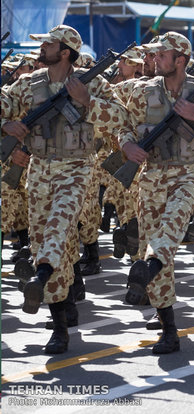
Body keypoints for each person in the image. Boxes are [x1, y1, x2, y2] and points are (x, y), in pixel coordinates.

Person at [1, 24, 126, 354]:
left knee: (57, 229)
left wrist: (87, 101)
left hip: (76, 169)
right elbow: (4, 103)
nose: (42, 48)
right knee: (50, 242)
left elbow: (120, 118)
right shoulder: (28, 85)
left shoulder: (93, 82)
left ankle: (42, 288)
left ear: (66, 51)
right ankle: (63, 309)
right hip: (39, 170)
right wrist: (5, 125)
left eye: (49, 44)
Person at [119, 31, 194, 354]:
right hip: (152, 176)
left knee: (172, 226)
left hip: (190, 174)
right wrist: (127, 144)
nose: (154, 60)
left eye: (161, 55)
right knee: (156, 249)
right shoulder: (143, 92)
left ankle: (148, 269)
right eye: (154, 55)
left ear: (181, 60)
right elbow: (125, 125)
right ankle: (168, 327)